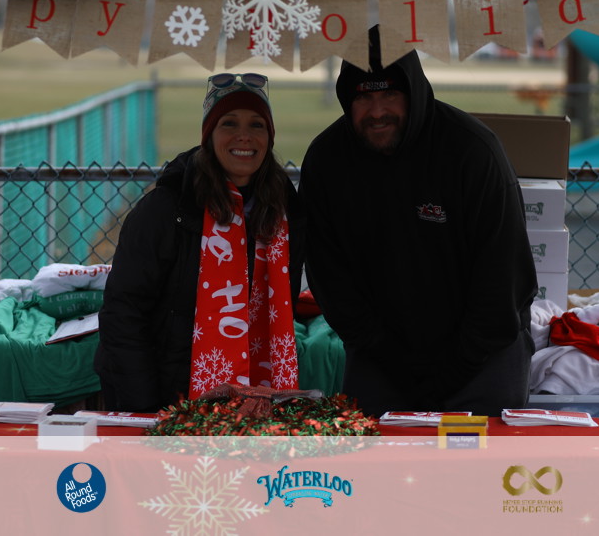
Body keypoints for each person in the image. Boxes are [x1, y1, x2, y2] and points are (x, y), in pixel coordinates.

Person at [299, 25, 537, 416]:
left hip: (482, 348)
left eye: (390, 94)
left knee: (478, 448)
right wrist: (388, 356)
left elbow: (502, 278)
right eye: (364, 96)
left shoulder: (472, 151)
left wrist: (456, 367)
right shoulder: (327, 161)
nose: (377, 111)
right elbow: (330, 278)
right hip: (381, 352)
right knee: (372, 446)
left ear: (414, 92)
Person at [94, 73, 305, 412]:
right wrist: (147, 410)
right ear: (209, 135)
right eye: (228, 123)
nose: (244, 135)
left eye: (257, 125)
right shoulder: (166, 208)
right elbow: (123, 314)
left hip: (257, 395)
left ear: (269, 137)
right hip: (167, 396)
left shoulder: (284, 211)